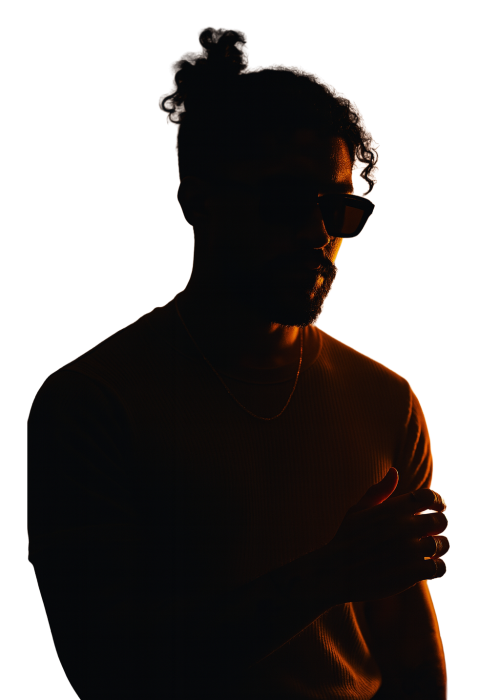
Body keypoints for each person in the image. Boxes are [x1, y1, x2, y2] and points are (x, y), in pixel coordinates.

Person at [26, 25, 449, 699]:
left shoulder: (387, 399)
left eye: (339, 208)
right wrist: (324, 577)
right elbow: (106, 670)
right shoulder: (95, 400)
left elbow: (406, 641)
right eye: (285, 202)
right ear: (197, 200)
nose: (317, 234)